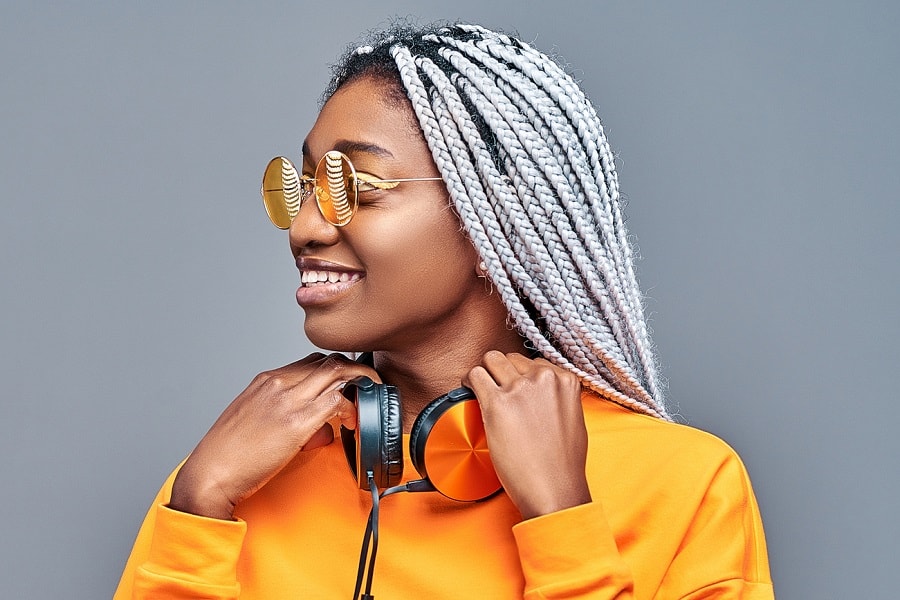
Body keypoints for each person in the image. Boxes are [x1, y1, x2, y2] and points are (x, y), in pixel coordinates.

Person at [114, 22, 773, 599]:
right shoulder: (228, 481)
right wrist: (197, 503)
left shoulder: (685, 486)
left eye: (356, 188)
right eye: (306, 186)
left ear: (498, 225)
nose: (307, 228)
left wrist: (560, 517)